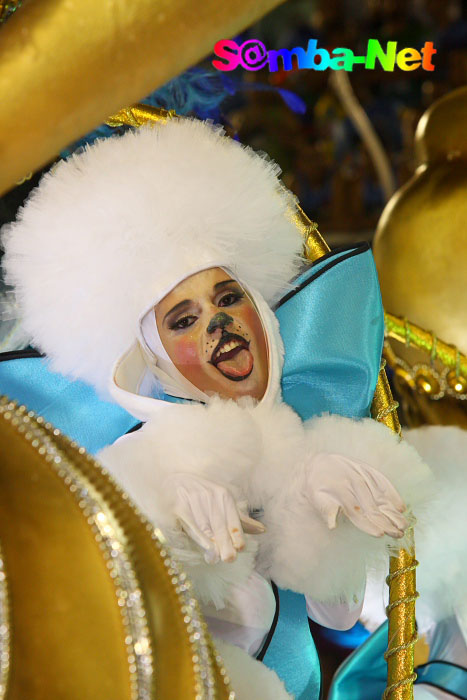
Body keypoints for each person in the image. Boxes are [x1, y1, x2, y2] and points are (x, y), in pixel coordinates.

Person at [2, 117, 457, 697]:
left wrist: (326, 520)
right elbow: (77, 613)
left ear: (262, 317)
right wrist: (154, 523)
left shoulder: (298, 444)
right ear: (158, 365)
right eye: (184, 320)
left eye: (228, 298)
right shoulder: (139, 462)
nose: (218, 322)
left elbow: (337, 619)